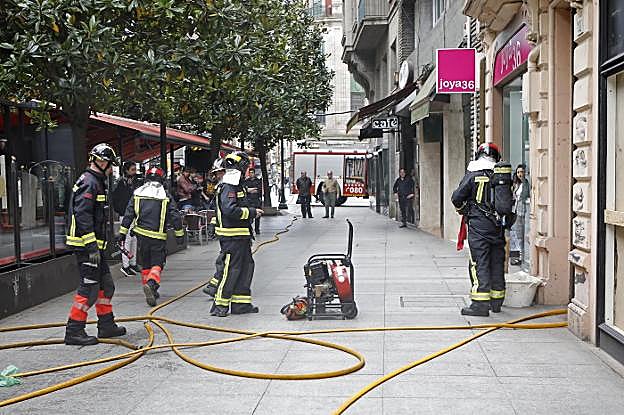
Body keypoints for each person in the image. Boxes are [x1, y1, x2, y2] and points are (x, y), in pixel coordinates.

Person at [64, 144, 126, 346]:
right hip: (86, 247)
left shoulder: (96, 181)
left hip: (95, 247)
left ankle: (106, 325)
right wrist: (91, 246)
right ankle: (74, 330)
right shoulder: (90, 183)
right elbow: (82, 215)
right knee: (89, 289)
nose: (111, 170)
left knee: (106, 285)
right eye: (110, 165)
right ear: (101, 161)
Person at [451, 143, 508, 317]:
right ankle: (497, 301)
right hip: (498, 227)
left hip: (478, 226)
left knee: (479, 262)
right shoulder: (500, 177)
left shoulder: (473, 174)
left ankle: (480, 304)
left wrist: (463, 209)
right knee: (497, 262)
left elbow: (456, 198)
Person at [119, 167, 184, 306]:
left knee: (146, 263)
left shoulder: (137, 194)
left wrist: (122, 233)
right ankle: (152, 283)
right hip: (157, 237)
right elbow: (175, 216)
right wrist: (179, 235)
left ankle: (151, 291)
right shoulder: (165, 195)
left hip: (141, 236)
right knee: (158, 263)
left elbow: (128, 214)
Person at [211, 151, 263, 317]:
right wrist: (252, 212)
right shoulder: (229, 185)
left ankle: (241, 304)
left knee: (246, 268)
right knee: (231, 270)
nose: (248, 170)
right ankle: (220, 305)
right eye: (246, 167)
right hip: (232, 237)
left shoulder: (235, 184)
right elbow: (229, 209)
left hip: (241, 236)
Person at [112, 160, 143, 277]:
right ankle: (126, 265)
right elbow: (116, 199)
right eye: (132, 170)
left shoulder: (133, 182)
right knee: (127, 240)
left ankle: (133, 262)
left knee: (133, 239)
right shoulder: (121, 183)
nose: (134, 172)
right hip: (125, 214)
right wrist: (121, 210)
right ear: (126, 170)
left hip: (133, 214)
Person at [203, 158, 227, 297]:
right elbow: (218, 209)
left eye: (220, 173)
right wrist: (213, 223)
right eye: (216, 173)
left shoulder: (227, 187)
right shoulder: (222, 188)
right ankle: (215, 286)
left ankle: (214, 285)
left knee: (226, 259)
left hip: (230, 231)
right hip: (229, 232)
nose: (217, 176)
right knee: (226, 260)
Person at [510, 164, 530, 266]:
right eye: (518, 172)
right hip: (516, 211)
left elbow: (527, 196)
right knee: (518, 235)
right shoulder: (516, 184)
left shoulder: (526, 183)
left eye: (521, 172)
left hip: (524, 211)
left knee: (524, 234)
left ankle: (523, 257)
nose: (520, 174)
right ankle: (519, 256)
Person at [243, 167, 263, 234]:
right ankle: (250, 229)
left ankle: (257, 229)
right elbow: (245, 190)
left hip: (256, 200)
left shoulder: (258, 181)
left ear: (254, 173)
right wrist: (250, 190)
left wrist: (250, 190)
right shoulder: (246, 181)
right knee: (249, 216)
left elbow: (258, 190)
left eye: (252, 173)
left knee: (258, 216)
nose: (251, 174)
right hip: (249, 200)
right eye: (250, 173)